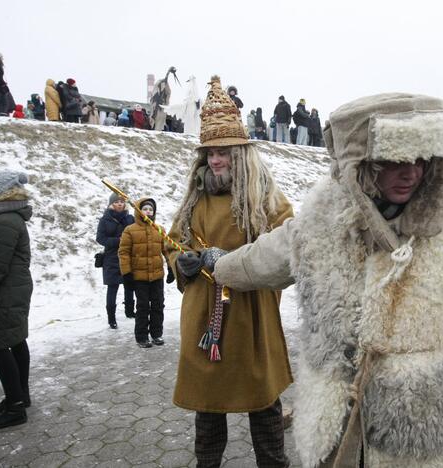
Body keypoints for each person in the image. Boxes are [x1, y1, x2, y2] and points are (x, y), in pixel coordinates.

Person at [213, 93, 443, 467]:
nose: (411, 172)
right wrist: (219, 266)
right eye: (394, 161)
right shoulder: (323, 222)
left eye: (421, 160)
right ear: (360, 164)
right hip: (338, 419)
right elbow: (265, 258)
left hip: (420, 423)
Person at [165, 76, 294, 468]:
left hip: (251, 313)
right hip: (206, 318)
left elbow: (287, 246)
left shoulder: (266, 196)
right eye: (210, 154)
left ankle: (274, 462)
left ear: (240, 154)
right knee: (208, 403)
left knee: (263, 400)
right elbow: (173, 241)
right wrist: (180, 262)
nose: (216, 160)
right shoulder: (194, 199)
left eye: (223, 152)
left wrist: (233, 262)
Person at [0, 170, 33, 431]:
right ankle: (20, 396)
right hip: (11, 288)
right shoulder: (6, 217)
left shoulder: (4, 221)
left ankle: (15, 408)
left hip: (4, 290)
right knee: (14, 341)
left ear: (1, 193)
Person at [118, 198, 172, 348]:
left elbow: (166, 250)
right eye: (145, 209)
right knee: (142, 307)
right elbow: (123, 253)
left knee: (158, 305)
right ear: (138, 211)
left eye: (151, 209)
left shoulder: (159, 229)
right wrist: (127, 273)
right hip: (139, 276)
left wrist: (171, 268)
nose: (148, 212)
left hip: (157, 276)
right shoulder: (130, 230)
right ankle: (141, 337)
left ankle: (156, 334)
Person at [96, 193, 135, 329]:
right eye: (116, 202)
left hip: (127, 256)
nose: (119, 204)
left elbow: (136, 232)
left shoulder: (130, 218)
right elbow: (100, 238)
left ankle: (130, 311)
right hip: (111, 258)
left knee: (129, 285)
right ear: (111, 204)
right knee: (112, 287)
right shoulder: (105, 219)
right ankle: (111, 318)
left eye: (121, 202)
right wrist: (118, 241)